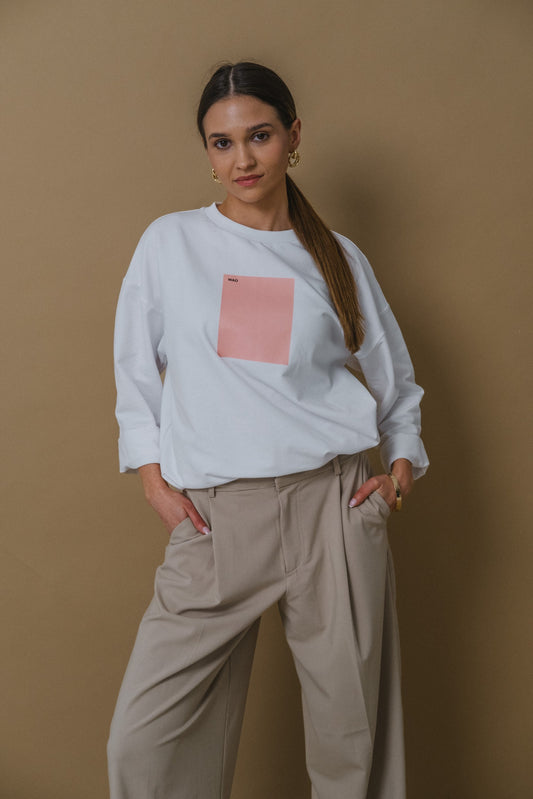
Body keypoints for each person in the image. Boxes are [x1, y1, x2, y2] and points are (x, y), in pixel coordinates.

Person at [107, 61, 429, 799]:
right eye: (221, 143)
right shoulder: (170, 244)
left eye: (259, 136)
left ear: (293, 137)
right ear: (207, 152)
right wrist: (154, 480)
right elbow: (134, 374)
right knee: (143, 741)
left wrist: (398, 473)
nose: (242, 159)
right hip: (216, 517)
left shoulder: (336, 257)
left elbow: (396, 382)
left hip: (332, 509)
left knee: (351, 742)